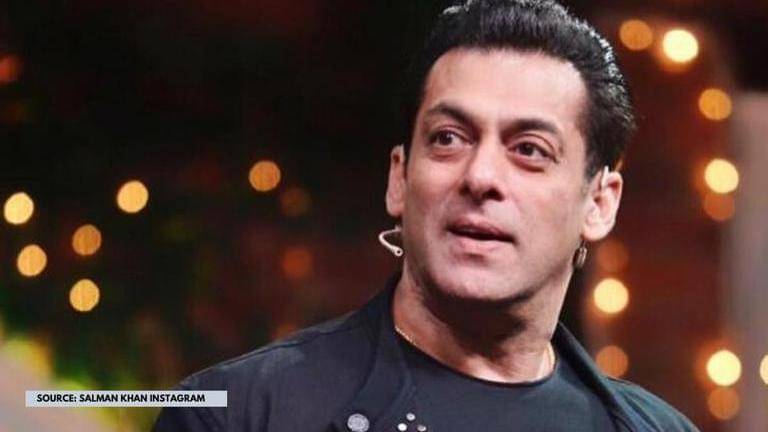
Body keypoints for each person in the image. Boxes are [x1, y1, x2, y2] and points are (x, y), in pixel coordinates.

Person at [154, 0, 698, 430]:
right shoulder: (239, 413)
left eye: (529, 149)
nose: (480, 176)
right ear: (399, 178)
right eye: (448, 138)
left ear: (599, 204)